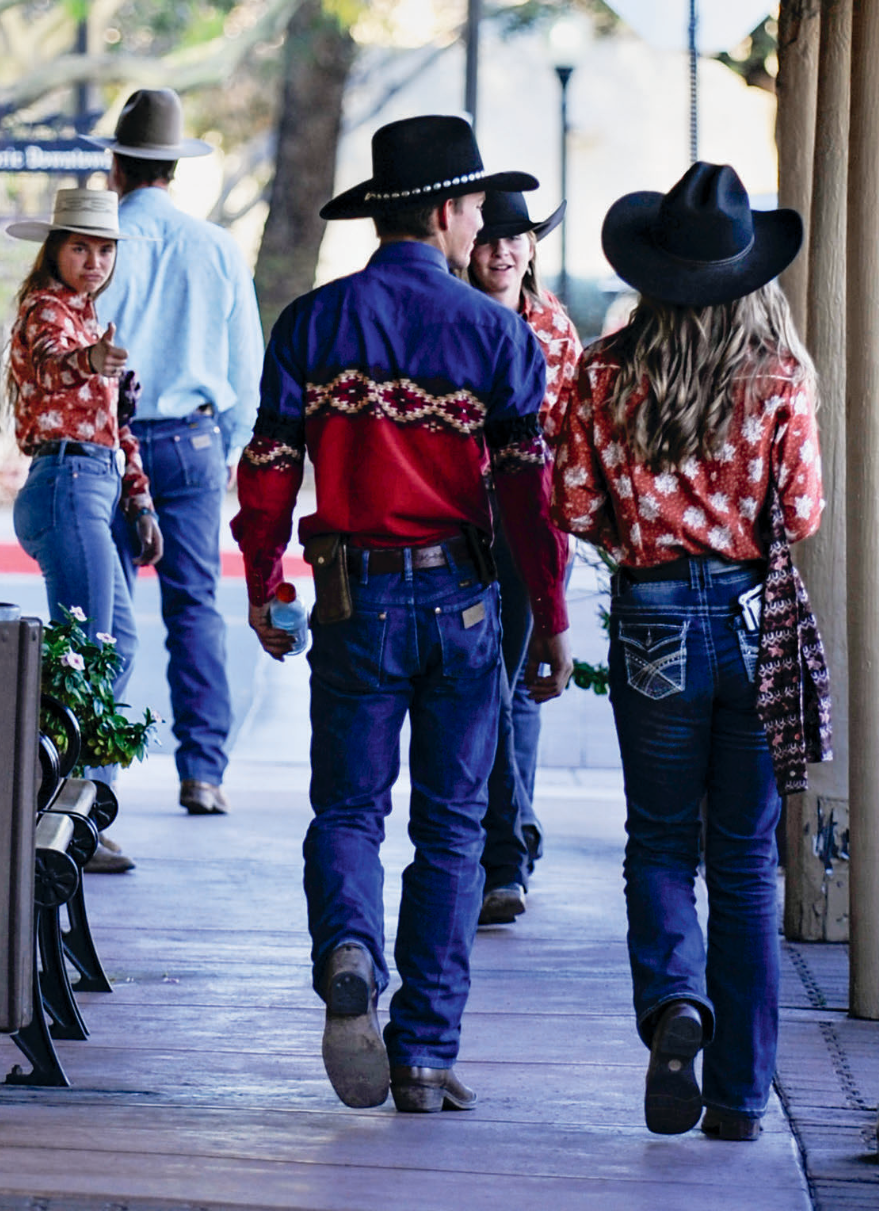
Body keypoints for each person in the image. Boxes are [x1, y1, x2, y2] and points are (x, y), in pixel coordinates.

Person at [231, 115, 572, 1113]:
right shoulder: (499, 335)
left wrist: (264, 581)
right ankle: (423, 1052)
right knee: (453, 830)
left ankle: (348, 948)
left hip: (353, 598)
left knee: (348, 809)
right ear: (444, 210)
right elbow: (528, 496)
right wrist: (550, 614)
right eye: (476, 207)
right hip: (463, 601)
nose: (483, 225)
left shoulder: (312, 322)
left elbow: (268, 466)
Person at [551, 163, 823, 1140]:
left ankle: (675, 999)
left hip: (652, 615)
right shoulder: (781, 376)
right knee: (745, 859)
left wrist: (642, 532)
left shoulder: (603, 369)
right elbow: (801, 513)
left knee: (661, 840)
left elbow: (572, 502)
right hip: (753, 616)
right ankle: (741, 1098)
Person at [82, 88, 264, 816]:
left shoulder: (94, 247)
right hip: (192, 439)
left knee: (104, 613)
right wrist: (231, 444)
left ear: (116, 167)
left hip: (106, 440)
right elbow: (246, 365)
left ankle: (95, 781)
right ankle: (203, 772)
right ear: (174, 170)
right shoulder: (216, 248)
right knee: (194, 608)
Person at [7, 187, 164, 872]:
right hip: (66, 481)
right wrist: (90, 362)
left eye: (104, 250)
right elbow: (51, 364)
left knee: (111, 647)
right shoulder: (47, 310)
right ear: (55, 250)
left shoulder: (92, 318)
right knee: (87, 655)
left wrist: (143, 501)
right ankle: (62, 818)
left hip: (96, 482)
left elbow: (118, 425)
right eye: (80, 248)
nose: (94, 261)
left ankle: (77, 806)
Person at [464, 190, 582, 924]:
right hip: (462, 520)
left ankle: (507, 854)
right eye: (488, 238)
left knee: (511, 690)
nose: (501, 251)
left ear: (533, 247)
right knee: (495, 686)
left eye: (515, 238)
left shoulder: (555, 329)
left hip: (531, 524)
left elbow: (568, 436)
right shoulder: (453, 318)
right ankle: (510, 849)